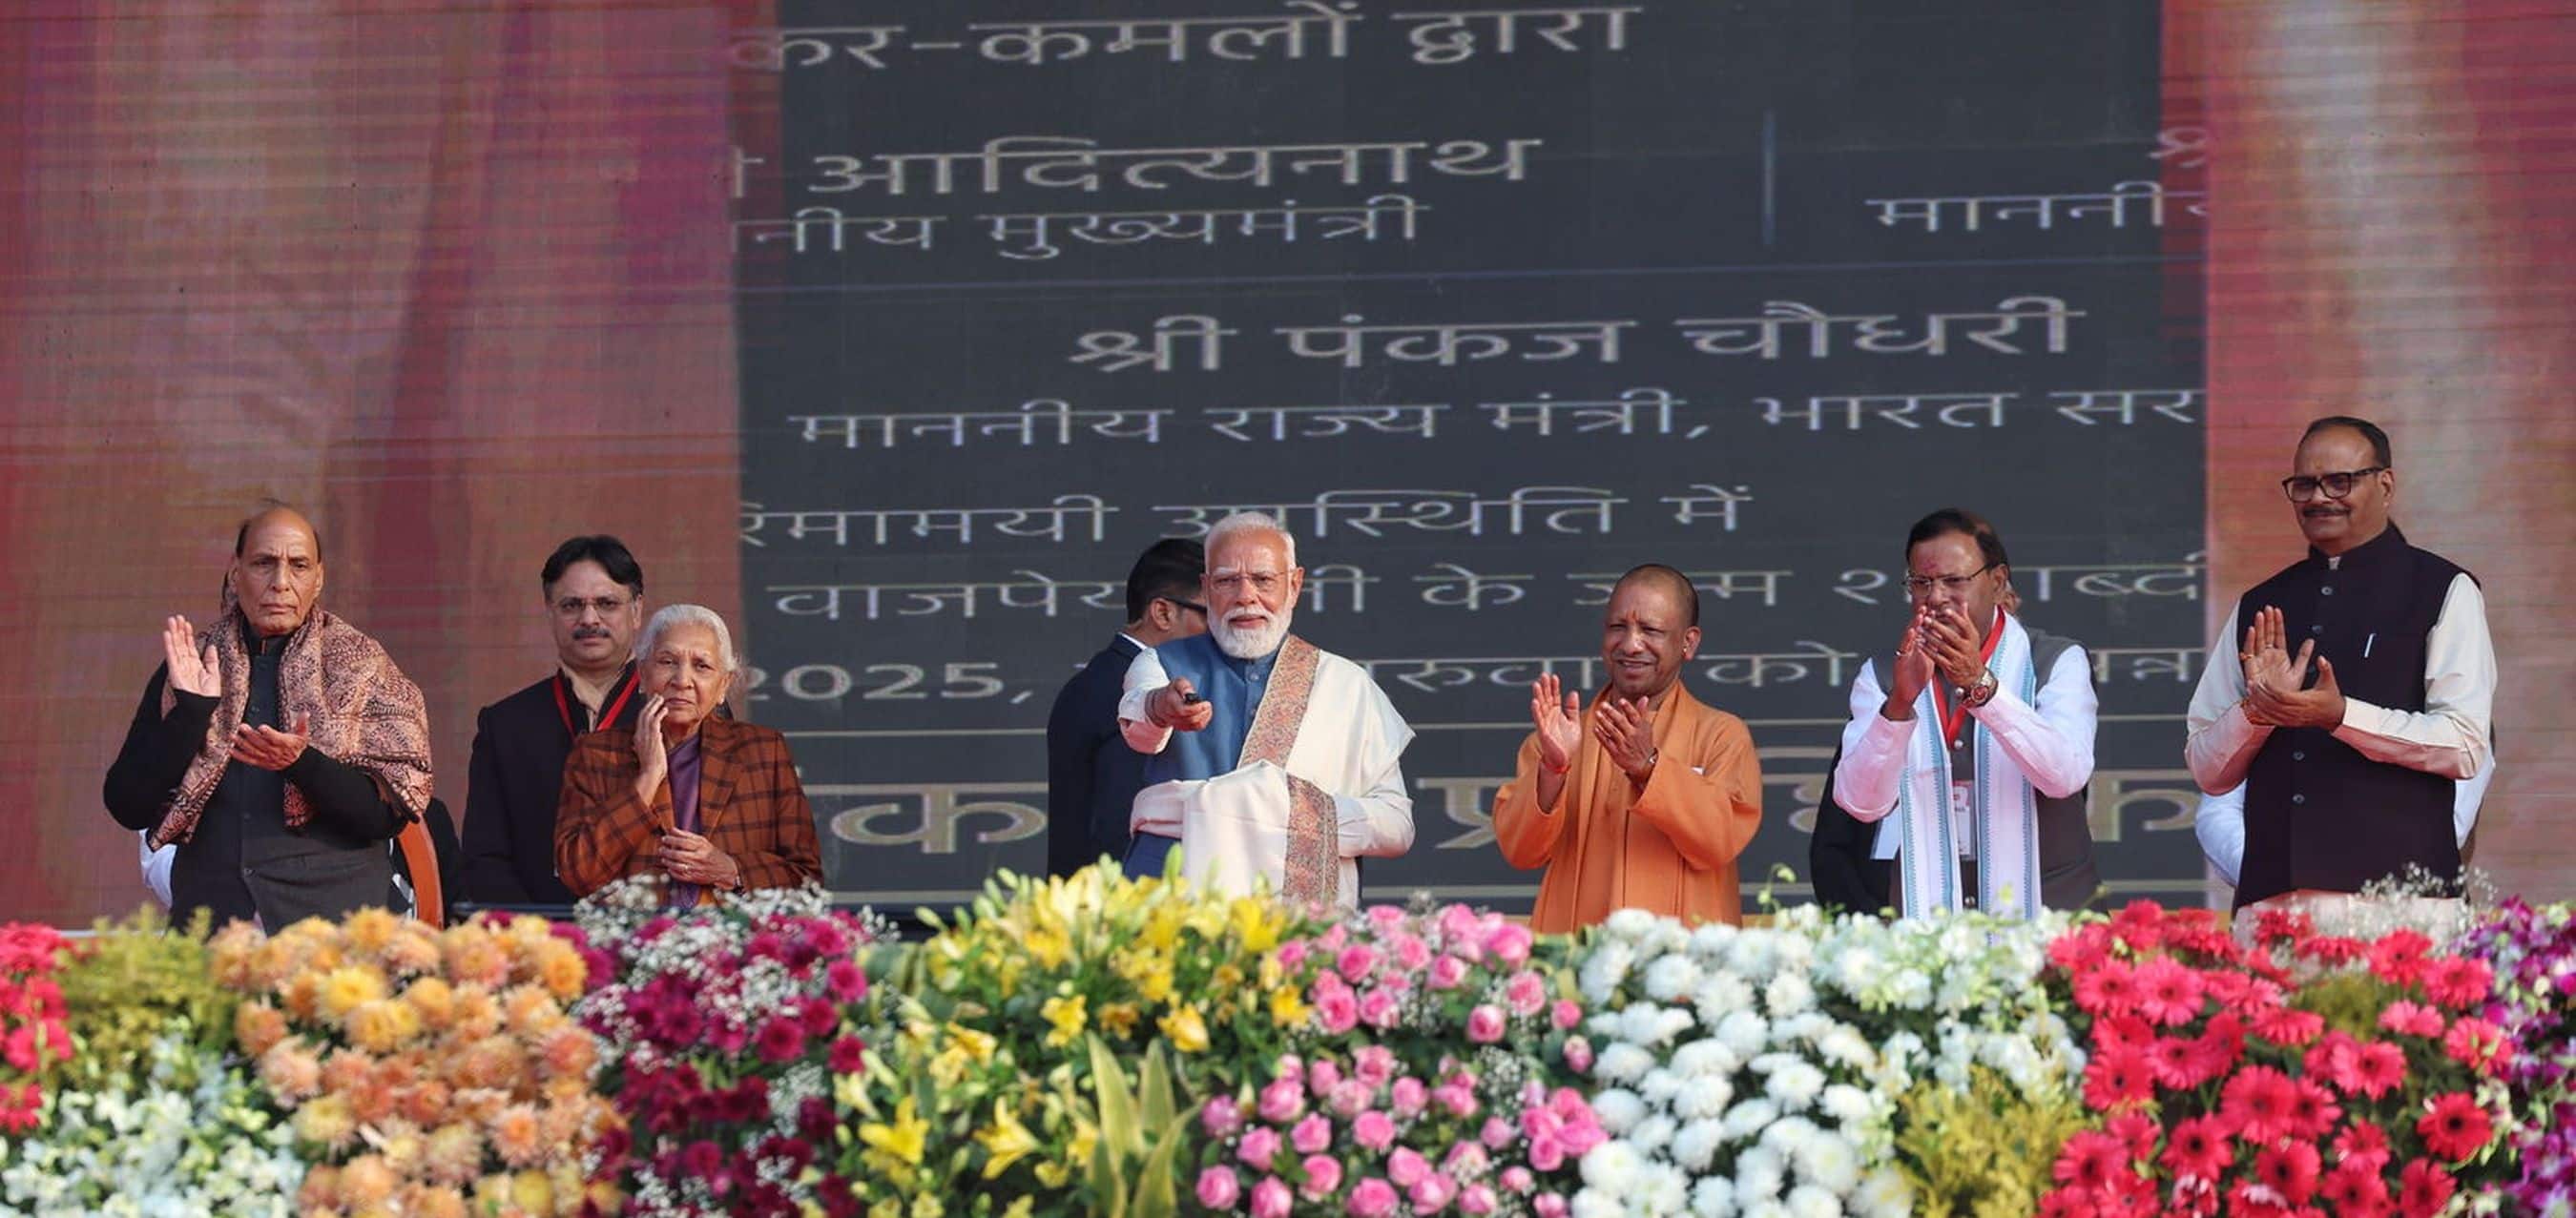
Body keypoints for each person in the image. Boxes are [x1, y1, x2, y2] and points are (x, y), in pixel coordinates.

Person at [2185, 416, 2495, 910]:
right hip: (2277, 907)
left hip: (2400, 908)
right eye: (2304, 485)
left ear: (2385, 485)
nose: (2319, 497)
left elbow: (2464, 744)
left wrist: (2341, 716)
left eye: (2340, 481)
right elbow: (2206, 769)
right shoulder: (2260, 604)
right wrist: (2257, 713)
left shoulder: (2442, 589)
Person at [102, 506, 435, 929]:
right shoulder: (192, 666)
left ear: (319, 579)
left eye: (298, 566)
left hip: (330, 933)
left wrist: (303, 763)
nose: (280, 582)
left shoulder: (363, 668)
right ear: (235, 573)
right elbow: (127, 806)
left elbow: (385, 817)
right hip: (213, 928)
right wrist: (192, 714)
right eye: (263, 563)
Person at [1116, 512, 1415, 907]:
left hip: (1297, 919)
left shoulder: (1347, 685)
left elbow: (1396, 826)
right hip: (1173, 903)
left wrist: (1282, 816)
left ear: (1294, 585)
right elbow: (1140, 724)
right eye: (1227, 581)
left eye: (1262, 580)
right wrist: (1161, 708)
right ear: (1206, 588)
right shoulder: (1160, 665)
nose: (1245, 596)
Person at [1831, 509, 2101, 919]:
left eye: (1954, 581)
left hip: (2051, 921)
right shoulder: (1883, 675)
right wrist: (1899, 705)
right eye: (1921, 583)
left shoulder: (2058, 660)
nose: (1936, 597)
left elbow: (2064, 775)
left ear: (1997, 582)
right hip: (1930, 927)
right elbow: (1860, 804)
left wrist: (1980, 684)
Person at [1489, 566, 1763, 931]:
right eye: (1618, 627)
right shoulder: (1561, 737)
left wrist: (1650, 767)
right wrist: (1553, 772)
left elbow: (1720, 840)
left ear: (1689, 642)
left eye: (1650, 630)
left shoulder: (1721, 735)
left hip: (1685, 959)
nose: (1631, 644)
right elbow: (1520, 852)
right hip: (1581, 957)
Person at [555, 604, 823, 902]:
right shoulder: (596, 754)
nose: (682, 680)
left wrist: (732, 871)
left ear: (724, 685)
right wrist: (647, 778)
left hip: (730, 928)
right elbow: (577, 873)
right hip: (635, 929)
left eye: (702, 666)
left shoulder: (762, 751)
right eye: (667, 662)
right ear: (642, 674)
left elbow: (806, 878)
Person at [461, 536, 649, 906]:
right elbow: (485, 860)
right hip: (546, 932)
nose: (589, 619)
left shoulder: (680, 711)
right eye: (571, 605)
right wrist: (536, 932)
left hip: (663, 929)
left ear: (637, 610)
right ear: (549, 612)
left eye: (607, 604)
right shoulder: (506, 725)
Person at [1046, 538, 1207, 878]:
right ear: (1163, 612)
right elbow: (1120, 826)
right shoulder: (1120, 688)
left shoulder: (1097, 678)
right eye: (1210, 615)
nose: (1221, 631)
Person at [2195, 756, 2493, 887]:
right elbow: (2218, 810)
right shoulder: (2268, 671)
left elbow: (2447, 825)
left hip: (2407, 926)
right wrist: (2272, 872)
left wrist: (2348, 882)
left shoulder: (2447, 680)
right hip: (2276, 918)